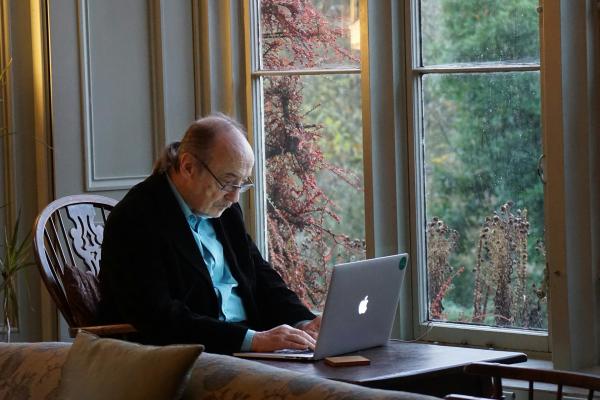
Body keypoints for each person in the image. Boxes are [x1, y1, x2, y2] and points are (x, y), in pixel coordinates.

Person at [99, 114, 321, 355]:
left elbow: (260, 275)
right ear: (188, 167)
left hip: (250, 347)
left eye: (242, 184)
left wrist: (303, 322)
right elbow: (159, 317)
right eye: (227, 182)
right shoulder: (135, 219)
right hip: (191, 356)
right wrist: (253, 340)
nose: (235, 197)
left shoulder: (224, 210)